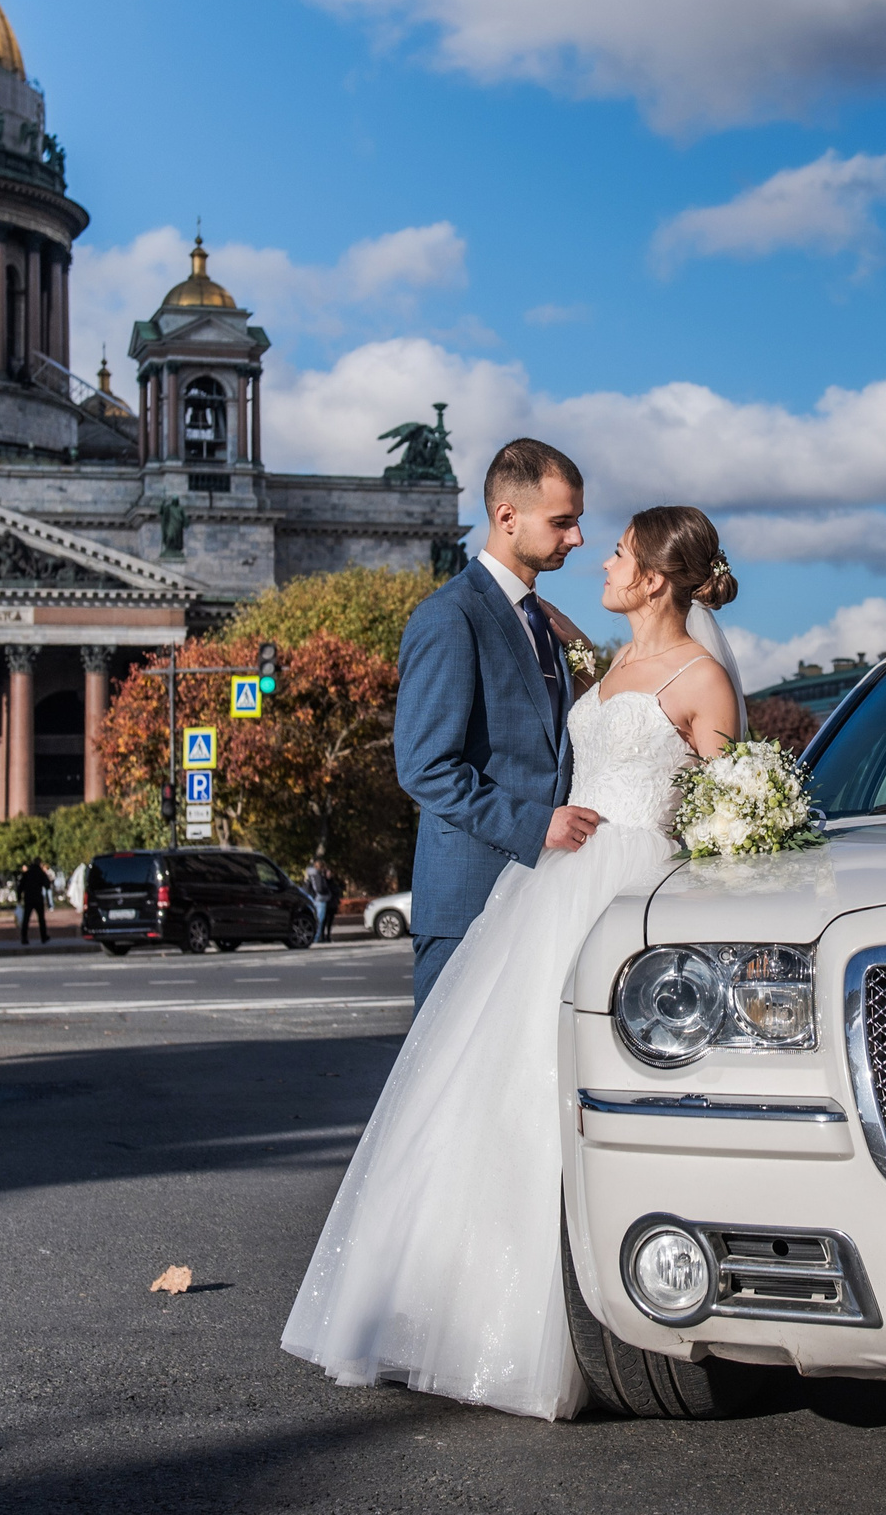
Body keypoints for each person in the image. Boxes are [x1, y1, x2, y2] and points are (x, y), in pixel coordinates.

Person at [283, 499, 744, 1421]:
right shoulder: (605, 659)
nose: (598, 557)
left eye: (617, 551)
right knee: (496, 1090)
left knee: (567, 1092)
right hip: (554, 883)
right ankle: (459, 1312)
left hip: (627, 885)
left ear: (655, 578)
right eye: (577, 529)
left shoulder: (701, 677)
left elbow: (726, 809)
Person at [379, 439, 599, 1008]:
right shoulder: (449, 616)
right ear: (507, 517)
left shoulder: (545, 622)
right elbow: (425, 768)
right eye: (562, 522)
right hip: (468, 903)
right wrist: (537, 825)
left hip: (542, 899)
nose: (577, 538)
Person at [15, 859, 54, 944]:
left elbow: (20, 887)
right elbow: (47, 885)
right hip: (38, 898)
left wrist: (19, 898)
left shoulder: (27, 873)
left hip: (28, 898)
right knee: (41, 919)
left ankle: (24, 937)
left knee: (26, 919)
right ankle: (43, 936)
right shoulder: (40, 873)